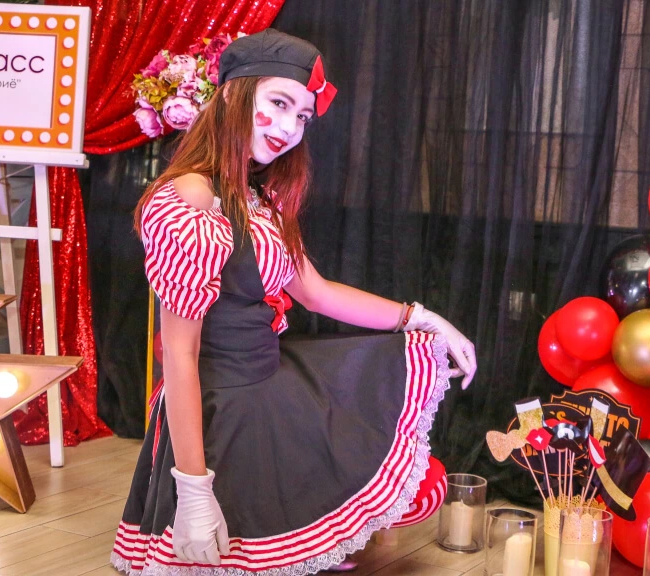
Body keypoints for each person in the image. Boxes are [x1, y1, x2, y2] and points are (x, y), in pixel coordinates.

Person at [111, 29, 477, 575]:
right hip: (222, 414)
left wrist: (424, 319)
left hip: (271, 384)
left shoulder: (259, 196)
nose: (289, 128)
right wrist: (193, 489)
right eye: (279, 104)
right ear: (232, 95)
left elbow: (316, 291)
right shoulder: (190, 200)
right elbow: (180, 357)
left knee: (419, 485)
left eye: (303, 116)